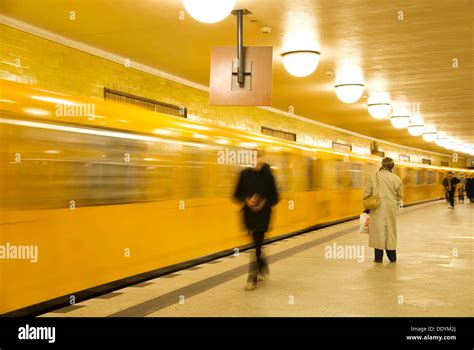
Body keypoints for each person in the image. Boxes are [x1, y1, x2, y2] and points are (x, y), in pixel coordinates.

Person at [233, 150, 279, 291]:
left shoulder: (268, 175)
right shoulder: (244, 174)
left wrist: (263, 202)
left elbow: (276, 197)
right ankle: (263, 267)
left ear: (261, 158)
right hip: (248, 216)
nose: (253, 160)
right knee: (256, 246)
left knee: (255, 246)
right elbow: (236, 195)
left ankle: (251, 279)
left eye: (256, 157)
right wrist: (247, 200)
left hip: (263, 216)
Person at [363, 157, 403, 263]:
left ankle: (378, 258)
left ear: (382, 164)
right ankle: (392, 257)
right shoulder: (396, 178)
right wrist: (397, 206)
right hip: (391, 205)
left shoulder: (374, 177)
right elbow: (401, 195)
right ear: (392, 166)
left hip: (377, 205)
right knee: (390, 230)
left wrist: (367, 207)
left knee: (378, 230)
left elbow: (367, 194)